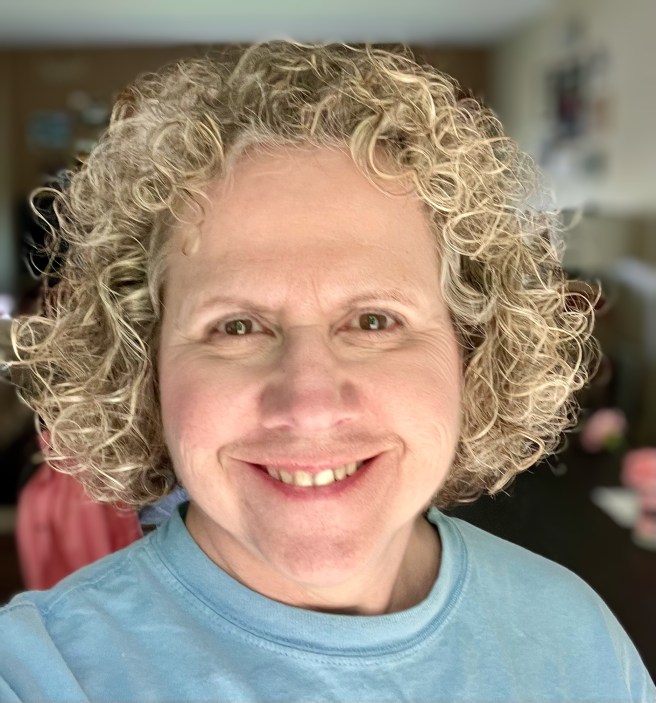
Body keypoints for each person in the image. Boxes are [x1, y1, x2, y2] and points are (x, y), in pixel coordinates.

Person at [1, 41, 653, 702]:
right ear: (146, 367)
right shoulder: (40, 672)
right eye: (236, 326)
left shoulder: (578, 641)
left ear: (472, 350)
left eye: (373, 320)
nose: (309, 405)